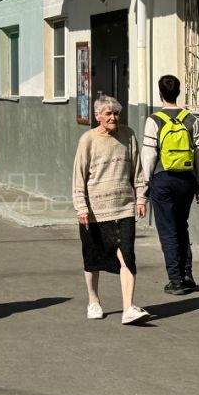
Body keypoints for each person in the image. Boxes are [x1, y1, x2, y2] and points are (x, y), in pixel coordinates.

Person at [73, 95, 151, 324]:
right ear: (97, 116)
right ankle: (93, 301)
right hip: (95, 211)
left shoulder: (128, 135)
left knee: (127, 256)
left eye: (116, 113)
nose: (113, 117)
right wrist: (81, 207)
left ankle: (128, 308)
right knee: (92, 257)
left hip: (124, 207)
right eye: (108, 113)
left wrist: (140, 198)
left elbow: (137, 170)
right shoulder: (88, 140)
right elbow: (78, 176)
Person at [141, 75, 199, 295]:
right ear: (179, 92)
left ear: (160, 93)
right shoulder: (191, 119)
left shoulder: (154, 120)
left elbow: (149, 154)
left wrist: (145, 183)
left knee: (167, 230)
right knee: (181, 225)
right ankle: (187, 274)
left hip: (163, 179)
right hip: (187, 180)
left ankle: (175, 280)